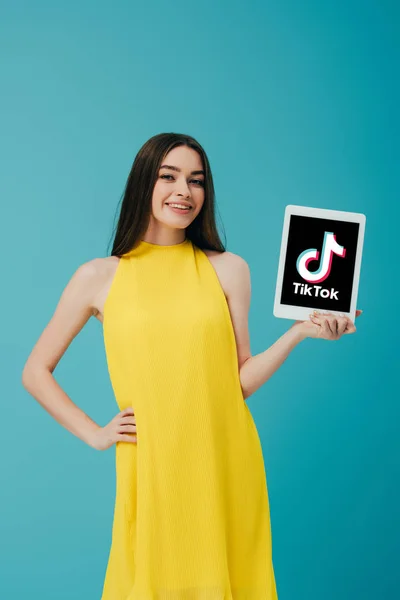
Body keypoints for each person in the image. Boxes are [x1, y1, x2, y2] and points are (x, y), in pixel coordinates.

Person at [22, 132, 361, 599]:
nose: (184, 190)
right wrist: (94, 433)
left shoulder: (229, 269)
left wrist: (299, 332)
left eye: (196, 180)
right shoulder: (99, 277)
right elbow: (35, 370)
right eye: (169, 176)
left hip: (223, 458)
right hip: (154, 465)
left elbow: (238, 380)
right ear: (145, 182)